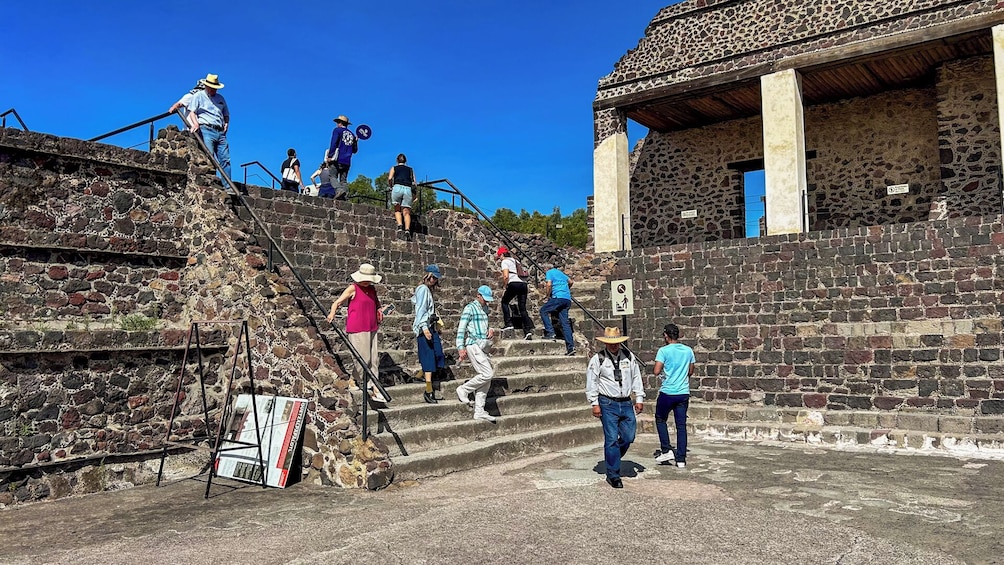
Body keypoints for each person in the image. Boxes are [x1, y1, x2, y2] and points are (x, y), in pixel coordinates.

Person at [585, 327, 644, 489]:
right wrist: (594, 403)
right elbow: (592, 382)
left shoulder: (628, 357)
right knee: (611, 439)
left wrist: (639, 397)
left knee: (629, 436)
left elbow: (636, 377)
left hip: (625, 402)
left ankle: (613, 458)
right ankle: (613, 474)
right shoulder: (598, 359)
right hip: (607, 402)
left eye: (616, 343)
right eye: (610, 343)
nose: (613, 346)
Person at [326, 263, 387, 403]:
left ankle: (355, 380)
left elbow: (377, 304)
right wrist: (332, 313)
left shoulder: (372, 289)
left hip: (372, 326)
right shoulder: (353, 288)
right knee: (363, 359)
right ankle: (373, 387)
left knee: (373, 359)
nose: (367, 281)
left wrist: (380, 311)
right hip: (357, 327)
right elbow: (337, 302)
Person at [652, 323, 696, 469]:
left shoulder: (663, 351)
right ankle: (681, 459)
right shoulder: (688, 350)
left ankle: (666, 449)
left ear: (666, 335)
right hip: (683, 392)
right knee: (681, 426)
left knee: (660, 419)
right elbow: (691, 371)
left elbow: (656, 371)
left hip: (668, 391)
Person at [455, 285, 499, 423]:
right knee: (487, 373)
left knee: (486, 378)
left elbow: (484, 326)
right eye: (485, 299)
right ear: (478, 295)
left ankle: (479, 410)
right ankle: (464, 389)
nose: (486, 302)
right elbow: (461, 329)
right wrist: (460, 347)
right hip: (473, 344)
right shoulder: (469, 308)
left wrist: (490, 329)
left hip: (482, 345)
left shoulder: (485, 309)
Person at [186, 73, 231, 180]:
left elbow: (226, 114)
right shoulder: (198, 95)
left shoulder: (220, 98)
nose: (213, 90)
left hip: (220, 131)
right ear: (206, 86)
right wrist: (195, 123)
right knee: (209, 156)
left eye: (215, 88)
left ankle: (228, 185)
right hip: (206, 128)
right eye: (212, 88)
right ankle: (211, 180)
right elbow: (192, 112)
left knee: (225, 159)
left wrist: (226, 124)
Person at [412, 264, 445, 404]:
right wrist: (424, 327)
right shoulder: (422, 289)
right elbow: (420, 310)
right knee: (430, 358)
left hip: (431, 326)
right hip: (425, 327)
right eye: (432, 277)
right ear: (427, 276)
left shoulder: (427, 291)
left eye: (435, 278)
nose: (434, 280)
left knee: (438, 355)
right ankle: (429, 390)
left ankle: (421, 374)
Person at [496, 246, 532, 340]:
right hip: (523, 284)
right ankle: (527, 331)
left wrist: (505, 286)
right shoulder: (516, 261)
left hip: (514, 283)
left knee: (504, 302)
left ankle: (508, 324)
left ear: (502, 255)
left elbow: (506, 276)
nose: (499, 258)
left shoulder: (505, 262)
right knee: (522, 308)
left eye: (499, 256)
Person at [540, 265, 575, 355]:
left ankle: (550, 332)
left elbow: (549, 284)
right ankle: (571, 348)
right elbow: (571, 282)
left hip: (558, 297)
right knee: (565, 323)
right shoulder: (561, 273)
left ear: (546, 268)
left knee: (543, 311)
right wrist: (565, 290)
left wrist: (547, 296)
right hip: (567, 299)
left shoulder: (549, 272)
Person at [326, 115, 357, 200]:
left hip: (337, 158)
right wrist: (355, 142)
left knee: (332, 176)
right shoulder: (352, 135)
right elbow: (354, 150)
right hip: (347, 160)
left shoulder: (337, 130)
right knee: (343, 180)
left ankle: (339, 190)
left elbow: (334, 143)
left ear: (340, 123)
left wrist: (330, 156)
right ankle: (345, 196)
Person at [388, 153, 416, 241]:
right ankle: (407, 230)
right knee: (406, 212)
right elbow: (414, 182)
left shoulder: (394, 168)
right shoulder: (410, 170)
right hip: (407, 189)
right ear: (405, 161)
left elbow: (389, 178)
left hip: (397, 187)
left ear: (397, 160)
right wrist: (415, 194)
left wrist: (391, 186)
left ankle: (400, 226)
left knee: (397, 208)